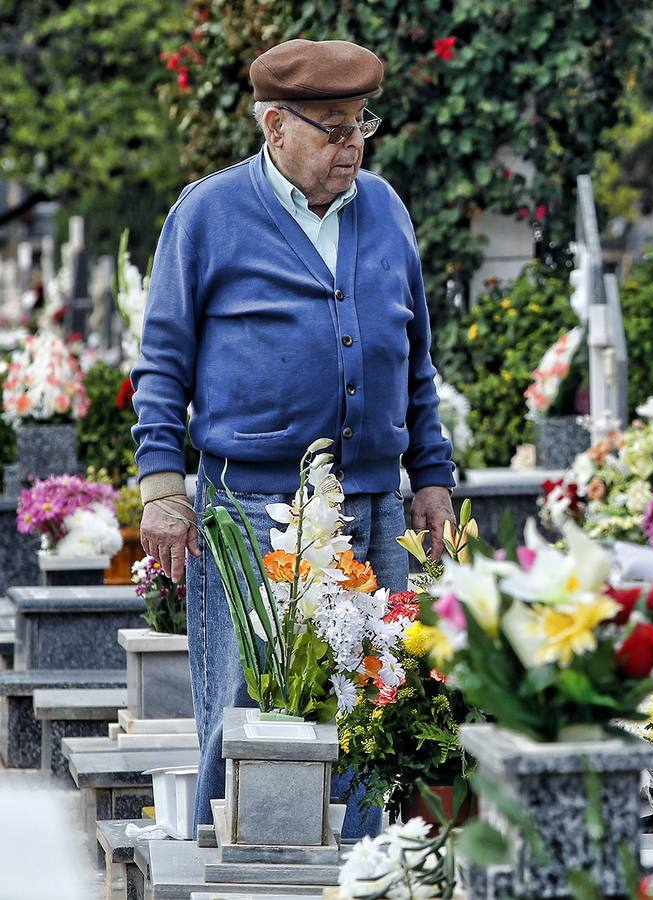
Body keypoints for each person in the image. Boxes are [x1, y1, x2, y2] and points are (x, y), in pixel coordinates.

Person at [130, 38, 457, 838]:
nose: (353, 144)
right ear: (276, 126)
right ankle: (231, 860)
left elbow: (414, 357)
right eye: (334, 126)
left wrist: (433, 475)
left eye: (361, 125)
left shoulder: (384, 206)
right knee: (249, 702)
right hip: (252, 508)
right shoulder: (207, 213)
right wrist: (163, 489)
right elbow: (163, 361)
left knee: (373, 702)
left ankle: (364, 869)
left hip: (374, 504)